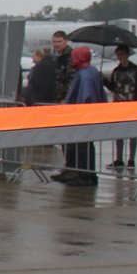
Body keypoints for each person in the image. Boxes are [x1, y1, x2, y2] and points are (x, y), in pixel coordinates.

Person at [59, 46, 105, 185]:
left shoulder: (84, 74)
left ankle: (85, 176)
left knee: (82, 146)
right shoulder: (92, 71)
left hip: (83, 116)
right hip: (92, 115)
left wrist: (78, 115)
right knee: (87, 146)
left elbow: (86, 97)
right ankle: (89, 175)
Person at [105, 45, 137, 169]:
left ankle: (131, 159)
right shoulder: (116, 71)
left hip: (133, 106)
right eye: (118, 55)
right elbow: (113, 87)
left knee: (132, 133)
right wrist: (104, 80)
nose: (120, 57)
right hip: (119, 106)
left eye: (122, 54)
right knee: (119, 133)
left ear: (127, 55)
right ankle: (119, 158)